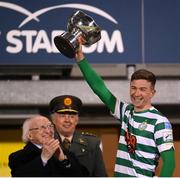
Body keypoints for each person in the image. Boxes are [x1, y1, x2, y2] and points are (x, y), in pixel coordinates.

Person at [72, 40, 176, 177]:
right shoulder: (126, 111)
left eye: (142, 89)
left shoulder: (160, 122)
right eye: (133, 88)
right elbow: (99, 88)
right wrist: (80, 57)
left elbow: (170, 162)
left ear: (152, 93)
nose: (136, 93)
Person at [8, 115, 89, 177]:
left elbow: (84, 175)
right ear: (30, 135)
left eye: (50, 126)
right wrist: (43, 158)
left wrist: (64, 160)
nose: (48, 131)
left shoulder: (67, 155)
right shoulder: (18, 157)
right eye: (42, 127)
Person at [49, 95, 108, 177]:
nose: (67, 120)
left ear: (77, 120)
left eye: (71, 116)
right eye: (62, 116)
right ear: (53, 119)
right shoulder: (46, 143)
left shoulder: (92, 143)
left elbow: (100, 175)